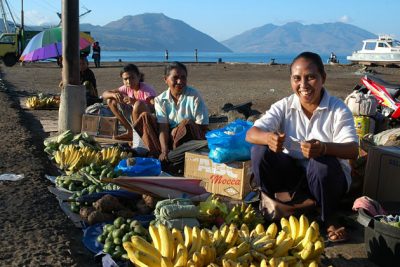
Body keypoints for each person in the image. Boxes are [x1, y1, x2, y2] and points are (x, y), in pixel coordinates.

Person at [246, 52, 358, 242]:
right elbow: (251, 134)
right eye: (297, 78)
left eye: (311, 77)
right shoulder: (284, 105)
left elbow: (352, 150)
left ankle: (328, 216)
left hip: (328, 180)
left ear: (323, 78)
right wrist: (269, 138)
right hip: (293, 178)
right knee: (260, 150)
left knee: (321, 163)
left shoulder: (337, 108)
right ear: (291, 80)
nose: (303, 85)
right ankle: (273, 205)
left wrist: (323, 148)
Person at [133, 61, 209, 160]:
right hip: (169, 139)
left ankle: (173, 156)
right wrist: (165, 149)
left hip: (190, 140)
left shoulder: (194, 96)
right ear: (166, 79)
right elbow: (163, 128)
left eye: (183, 77)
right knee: (144, 117)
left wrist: (179, 130)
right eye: (175, 78)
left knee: (186, 123)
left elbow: (202, 126)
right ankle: (161, 154)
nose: (180, 81)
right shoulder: (160, 100)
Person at [102, 64, 157, 140]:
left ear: (139, 76)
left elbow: (155, 105)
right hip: (133, 117)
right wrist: (114, 94)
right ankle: (130, 131)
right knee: (110, 100)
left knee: (138, 104)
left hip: (147, 120)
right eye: (125, 79)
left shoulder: (146, 89)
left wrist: (135, 102)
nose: (129, 81)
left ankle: (137, 136)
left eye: (132, 78)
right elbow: (104, 94)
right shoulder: (126, 88)